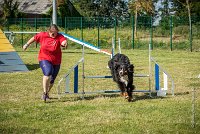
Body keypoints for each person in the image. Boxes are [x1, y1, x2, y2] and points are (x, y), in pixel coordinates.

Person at [23, 24, 67, 102]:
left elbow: (63, 41)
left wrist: (64, 43)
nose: (55, 35)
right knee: (48, 73)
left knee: (52, 80)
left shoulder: (59, 36)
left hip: (56, 60)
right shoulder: (42, 35)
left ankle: (47, 93)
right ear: (49, 31)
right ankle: (45, 92)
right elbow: (34, 38)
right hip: (44, 58)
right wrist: (27, 44)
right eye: (53, 33)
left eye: (56, 33)